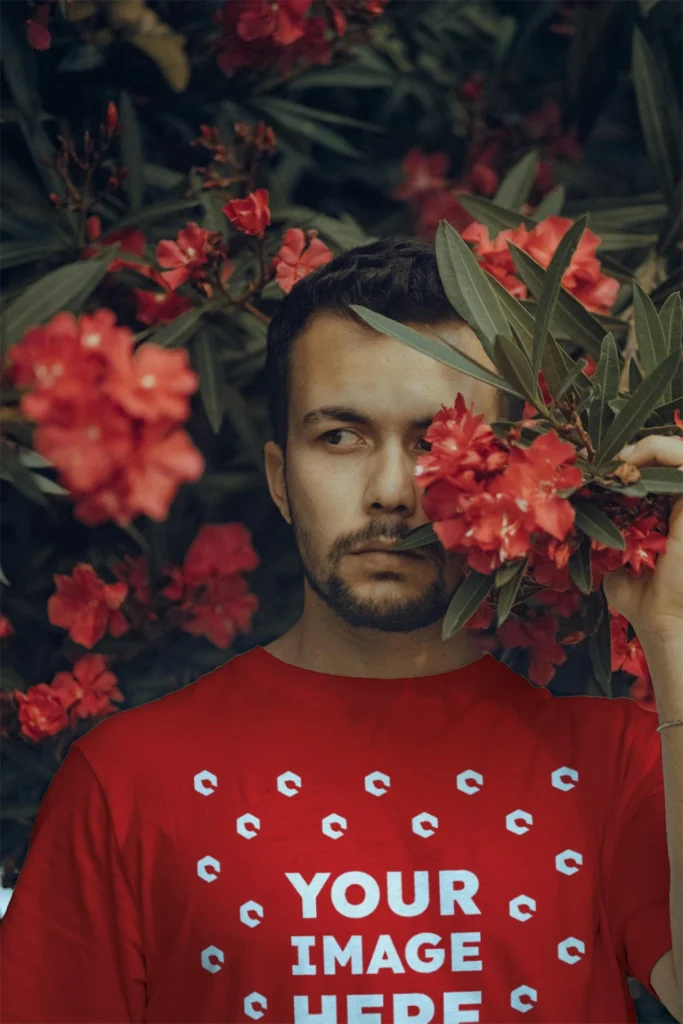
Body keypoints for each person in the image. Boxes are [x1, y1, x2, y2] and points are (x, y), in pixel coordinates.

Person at [0, 238, 674, 1023]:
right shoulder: (126, 783)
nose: (391, 492)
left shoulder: (617, 766)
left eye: (434, 442)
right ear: (281, 480)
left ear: (513, 475)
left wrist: (673, 631)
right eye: (339, 437)